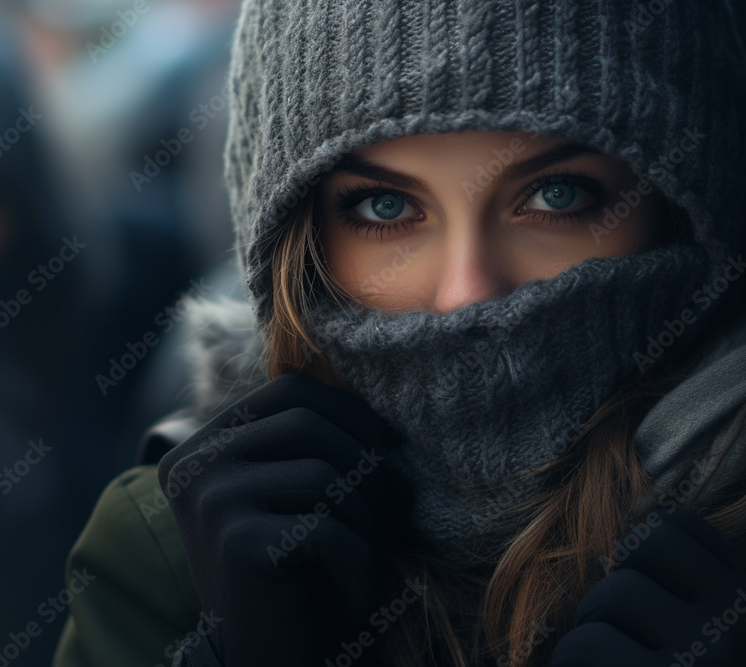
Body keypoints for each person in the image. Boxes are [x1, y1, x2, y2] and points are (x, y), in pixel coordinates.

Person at [52, 1, 746, 666]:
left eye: (557, 195)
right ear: (295, 242)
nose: (464, 292)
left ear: (682, 206)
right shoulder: (172, 552)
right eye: (385, 207)